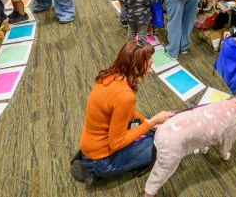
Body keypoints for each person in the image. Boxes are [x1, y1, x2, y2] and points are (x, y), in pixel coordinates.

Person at [71, 40, 174, 186]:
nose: (152, 60)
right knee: (163, 144)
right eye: (148, 57)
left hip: (91, 143)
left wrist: (148, 122)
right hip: (102, 159)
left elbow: (127, 115)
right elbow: (115, 143)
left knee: (153, 126)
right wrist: (151, 123)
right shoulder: (125, 95)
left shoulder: (110, 75)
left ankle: (87, 161)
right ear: (136, 63)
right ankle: (92, 170)